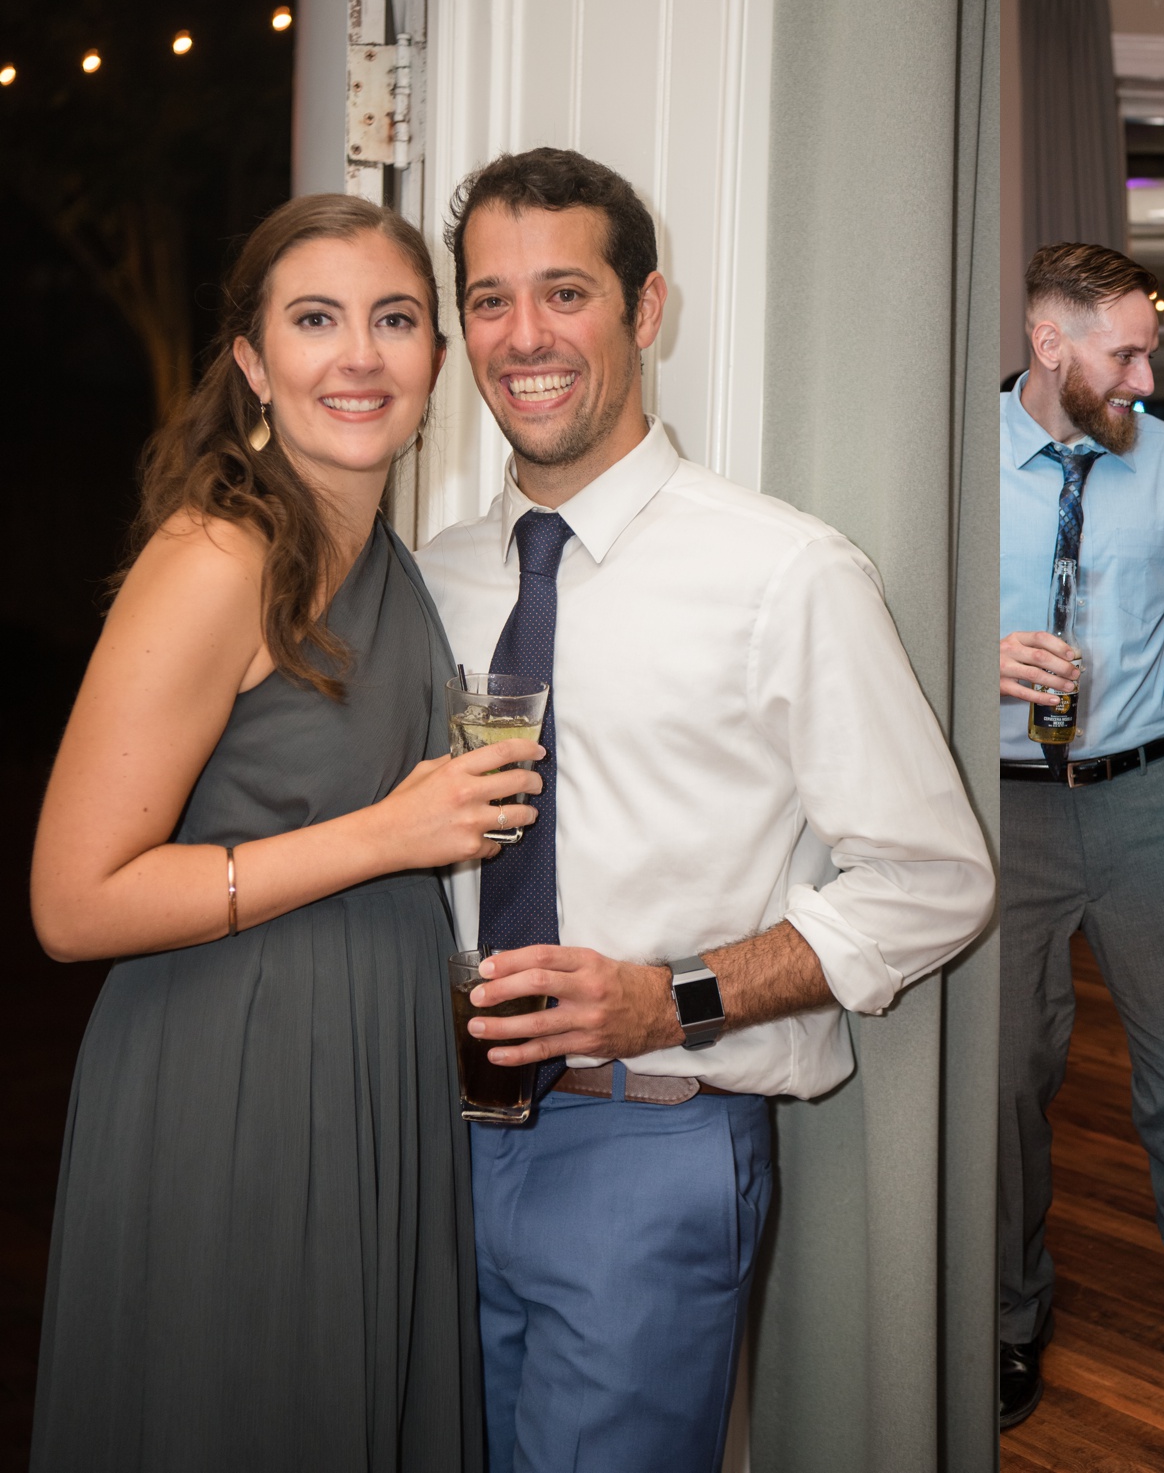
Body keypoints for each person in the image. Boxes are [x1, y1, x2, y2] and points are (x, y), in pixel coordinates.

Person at [415, 148, 992, 1473]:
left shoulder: (783, 573)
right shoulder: (432, 583)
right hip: (429, 1142)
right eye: (491, 301)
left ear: (646, 308)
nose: (525, 337)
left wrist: (664, 1000)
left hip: (649, 1143)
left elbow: (936, 880)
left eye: (566, 292)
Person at [30, 195, 541, 1470]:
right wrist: (387, 834)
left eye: (394, 320)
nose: (358, 356)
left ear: (436, 357)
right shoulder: (218, 556)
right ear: (255, 362)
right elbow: (73, 901)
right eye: (315, 321)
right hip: (232, 1068)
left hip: (377, 1062)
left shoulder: (390, 553)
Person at [998, 242, 1164, 1429]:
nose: (1146, 377)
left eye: (1149, 351)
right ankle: (1011, 1311)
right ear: (1051, 345)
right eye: (1128, 352)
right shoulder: (957, 458)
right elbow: (876, 618)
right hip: (996, 808)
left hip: (1144, 795)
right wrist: (974, 659)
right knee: (1008, 1072)